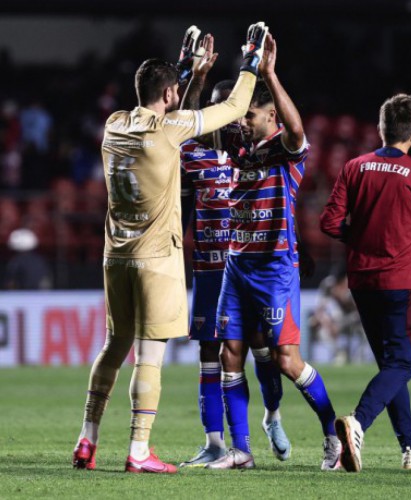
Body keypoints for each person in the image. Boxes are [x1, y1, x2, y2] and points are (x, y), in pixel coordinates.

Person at [71, 22, 269, 474]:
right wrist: (252, 58)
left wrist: (183, 68)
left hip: (115, 255)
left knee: (112, 347)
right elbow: (236, 104)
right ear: (169, 96)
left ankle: (88, 438)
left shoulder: (114, 124)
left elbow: (156, 98)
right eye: (175, 91)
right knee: (150, 353)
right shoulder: (171, 129)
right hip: (156, 259)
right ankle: (139, 450)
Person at [205, 34, 339, 471]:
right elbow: (202, 123)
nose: (242, 120)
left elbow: (298, 131)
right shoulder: (239, 151)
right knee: (230, 353)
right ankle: (241, 451)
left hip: (274, 269)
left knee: (286, 360)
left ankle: (332, 435)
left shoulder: (286, 154)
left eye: (250, 114)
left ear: (270, 114)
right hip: (236, 265)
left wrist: (269, 74)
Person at [320, 93, 411, 472]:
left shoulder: (355, 167)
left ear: (381, 129)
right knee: (403, 365)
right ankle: (358, 422)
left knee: (390, 366)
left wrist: (361, 235)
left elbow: (329, 223)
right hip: (400, 282)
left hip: (361, 281)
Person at [178, 64, 291, 465]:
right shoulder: (191, 155)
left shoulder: (253, 154)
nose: (217, 119)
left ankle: (273, 415)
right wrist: (195, 78)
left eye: (224, 110)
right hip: (210, 272)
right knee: (212, 354)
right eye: (212, 110)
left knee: (263, 349)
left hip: (250, 269)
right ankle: (215, 443)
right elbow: (182, 211)